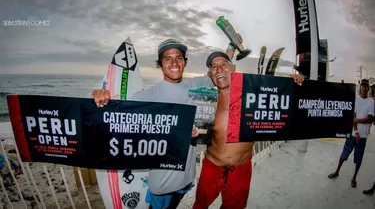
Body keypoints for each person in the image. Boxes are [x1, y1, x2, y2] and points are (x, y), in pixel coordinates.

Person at [91, 36, 241, 209]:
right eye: (167, 59)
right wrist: (100, 99)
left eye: (179, 58)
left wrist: (231, 47)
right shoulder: (147, 96)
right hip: (162, 186)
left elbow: (219, 71)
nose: (174, 63)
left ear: (185, 63)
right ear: (160, 64)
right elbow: (116, 117)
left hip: (186, 180)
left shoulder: (194, 86)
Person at [193, 51, 305, 209]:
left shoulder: (255, 94)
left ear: (233, 68)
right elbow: (192, 129)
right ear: (209, 73)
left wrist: (296, 84)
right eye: (214, 67)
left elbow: (287, 102)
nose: (219, 70)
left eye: (224, 65)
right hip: (212, 166)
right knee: (200, 205)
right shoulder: (205, 101)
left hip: (241, 167)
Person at [328, 79, 374, 188]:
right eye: (362, 85)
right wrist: (356, 131)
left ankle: (354, 178)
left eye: (366, 86)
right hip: (353, 133)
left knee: (359, 159)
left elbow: (370, 118)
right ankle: (337, 171)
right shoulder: (355, 99)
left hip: (363, 136)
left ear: (368, 88)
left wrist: (357, 121)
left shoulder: (371, 102)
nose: (364, 88)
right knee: (344, 153)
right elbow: (352, 115)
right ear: (360, 87)